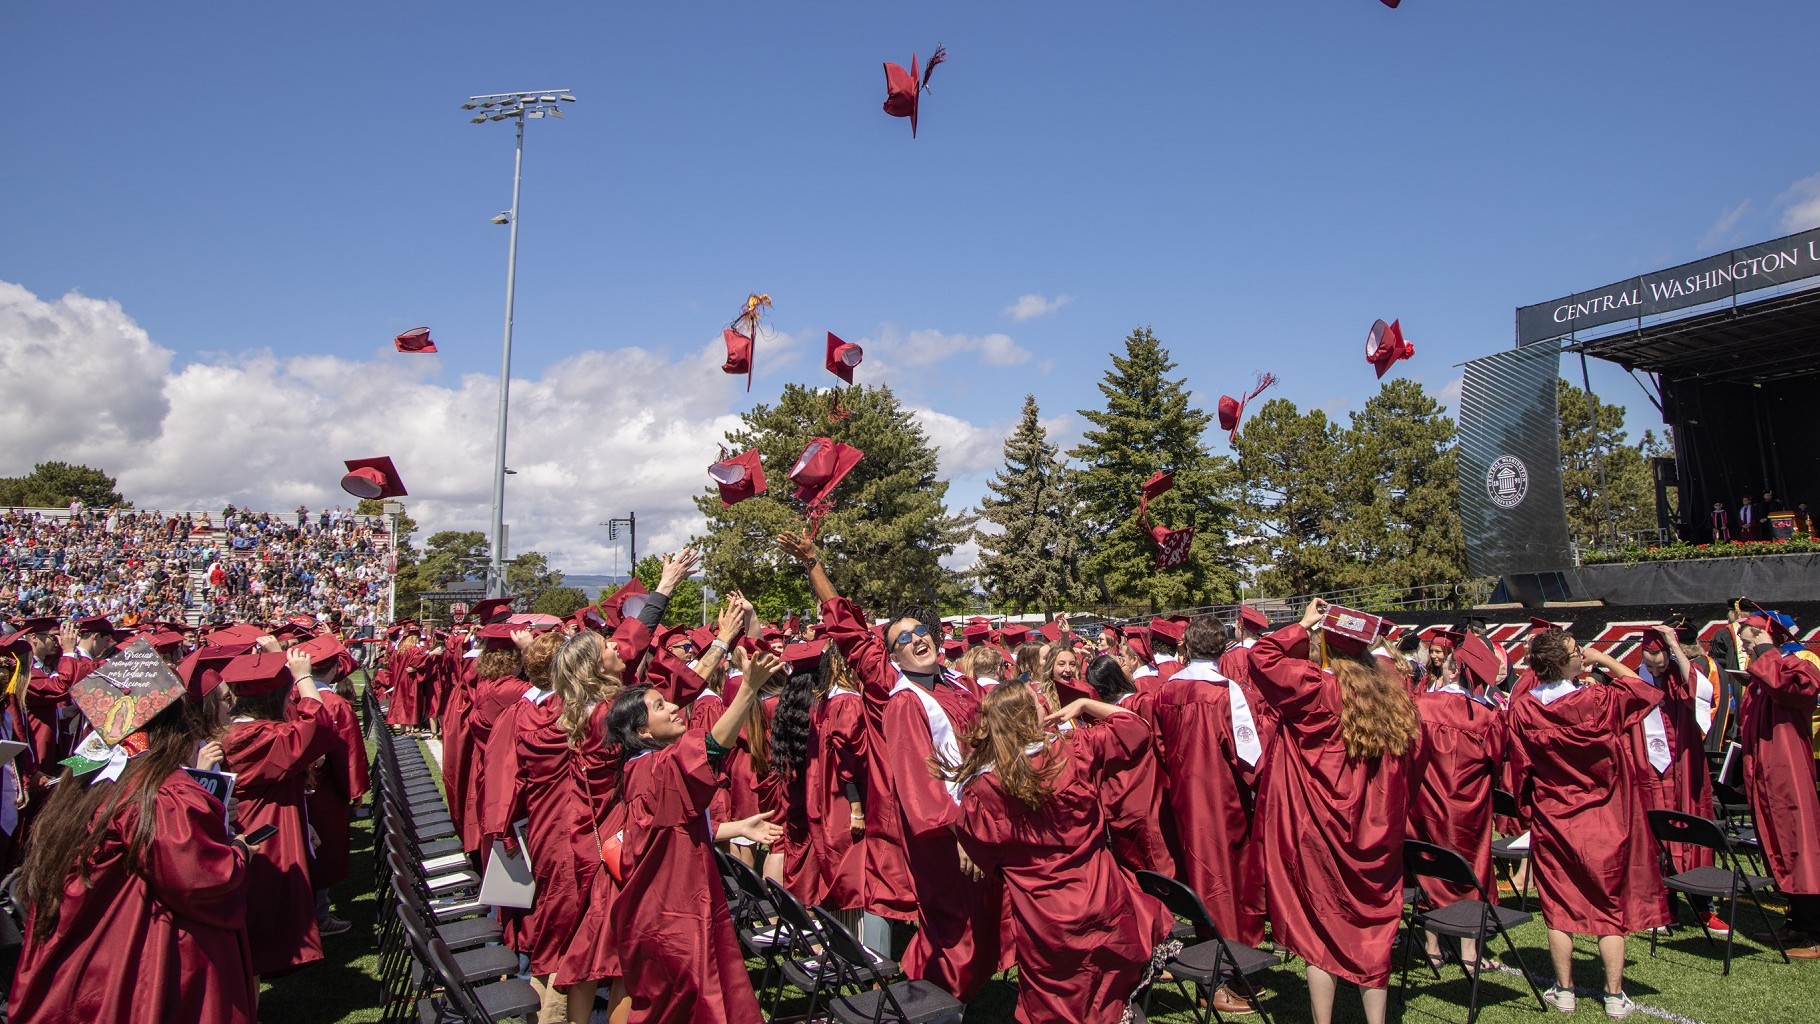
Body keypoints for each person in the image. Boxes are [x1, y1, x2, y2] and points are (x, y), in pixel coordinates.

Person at [779, 529, 1005, 1002]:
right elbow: (852, 635)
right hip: (945, 830)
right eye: (903, 639)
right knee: (955, 924)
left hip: (985, 820)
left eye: (921, 632)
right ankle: (938, 1002)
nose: (917, 640)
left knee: (987, 915)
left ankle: (949, 992)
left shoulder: (960, 684)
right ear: (893, 655)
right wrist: (814, 564)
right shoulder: (893, 692)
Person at [8, 662, 255, 1023]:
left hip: (82, 951)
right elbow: (199, 880)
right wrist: (239, 852)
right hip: (142, 957)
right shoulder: (161, 792)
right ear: (175, 721)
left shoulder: (86, 773)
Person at [942, 682, 1174, 1024]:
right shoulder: (1073, 750)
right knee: (1105, 985)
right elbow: (1135, 728)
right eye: (1038, 702)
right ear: (1026, 717)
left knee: (1057, 1003)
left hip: (1040, 910)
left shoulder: (982, 788)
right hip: (1099, 892)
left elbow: (984, 854)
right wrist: (1085, 705)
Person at [1250, 600, 1420, 1024]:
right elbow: (1412, 773)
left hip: (1320, 832)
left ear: (1326, 645)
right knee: (1373, 929)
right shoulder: (1396, 703)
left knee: (1319, 927)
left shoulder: (1315, 690)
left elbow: (1260, 657)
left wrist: (1302, 625)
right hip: (1375, 835)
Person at [604, 646, 786, 1024]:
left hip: (672, 904)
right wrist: (749, 689)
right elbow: (712, 748)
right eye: (659, 707)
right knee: (694, 1004)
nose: (672, 708)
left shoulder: (645, 769)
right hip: (674, 914)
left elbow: (671, 830)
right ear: (641, 730)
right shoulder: (654, 768)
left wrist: (736, 827)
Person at [1506, 625, 1668, 1018]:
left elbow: (1519, 770)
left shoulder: (1524, 709)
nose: (1584, 653)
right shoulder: (1594, 700)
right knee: (1608, 905)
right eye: (1577, 650)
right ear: (1563, 663)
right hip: (1603, 818)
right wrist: (1606, 660)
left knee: (1559, 906)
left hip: (1554, 816)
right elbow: (1645, 691)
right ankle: (1614, 996)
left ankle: (1565, 992)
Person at [1152, 614, 1274, 995]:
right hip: (1222, 801)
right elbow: (1249, 757)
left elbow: (1158, 744)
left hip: (1181, 797)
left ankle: (1208, 949)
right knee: (1224, 880)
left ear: (1186, 646)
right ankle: (1227, 965)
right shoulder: (1227, 692)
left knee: (1196, 874)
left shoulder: (1166, 691)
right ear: (1222, 649)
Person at [218, 645, 337, 979]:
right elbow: (319, 727)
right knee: (257, 925)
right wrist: (303, 677)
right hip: (261, 834)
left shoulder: (242, 732)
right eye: (287, 697)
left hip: (258, 826)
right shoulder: (256, 736)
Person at [1408, 632, 1504, 971]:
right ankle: (1468, 953)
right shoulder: (1485, 716)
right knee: (1469, 871)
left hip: (1424, 808)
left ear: (1450, 671)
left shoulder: (1419, 706)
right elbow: (1500, 763)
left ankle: (1432, 947)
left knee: (1428, 868)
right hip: (1468, 811)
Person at [1734, 608, 1820, 956]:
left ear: (1768, 636)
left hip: (1790, 774)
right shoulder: (1761, 673)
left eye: (1748, 637)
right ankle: (1796, 924)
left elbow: (1796, 690)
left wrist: (1766, 650)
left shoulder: (1800, 664)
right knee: (1780, 846)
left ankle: (1814, 935)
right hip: (1766, 775)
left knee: (1802, 849)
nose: (1744, 644)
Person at [1626, 625, 1720, 932]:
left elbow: (1700, 692)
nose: (1654, 666)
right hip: (1652, 774)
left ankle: (1704, 905)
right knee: (1658, 839)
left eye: (1660, 658)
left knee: (1693, 832)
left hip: (1684, 768)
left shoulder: (1680, 677)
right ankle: (1666, 908)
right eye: (1649, 660)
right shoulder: (1634, 680)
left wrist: (1674, 645)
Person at [1081, 653, 1174, 875]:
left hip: (1117, 800)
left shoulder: (1095, 719)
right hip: (1149, 792)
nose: (1128, 665)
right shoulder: (1139, 703)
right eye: (1122, 663)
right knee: (1159, 863)